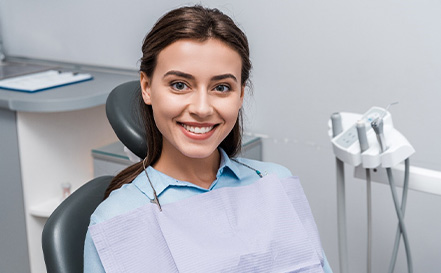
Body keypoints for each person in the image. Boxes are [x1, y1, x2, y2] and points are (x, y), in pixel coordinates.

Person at [84, 5, 333, 273]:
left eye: (221, 87)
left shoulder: (275, 183)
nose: (202, 108)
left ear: (240, 95)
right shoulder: (117, 218)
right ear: (146, 87)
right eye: (179, 85)